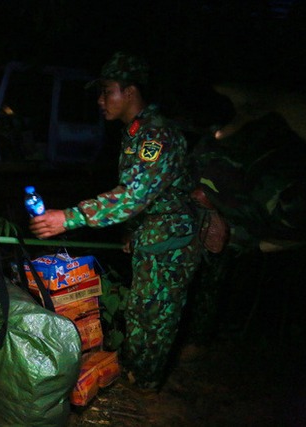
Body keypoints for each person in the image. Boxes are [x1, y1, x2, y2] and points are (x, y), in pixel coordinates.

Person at [29, 51, 201, 391]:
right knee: (140, 313)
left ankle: (145, 389)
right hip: (152, 236)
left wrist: (69, 217)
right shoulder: (135, 132)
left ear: (131, 92)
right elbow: (145, 197)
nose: (101, 99)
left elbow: (133, 195)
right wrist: (132, 232)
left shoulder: (156, 136)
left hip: (171, 244)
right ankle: (138, 377)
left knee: (155, 319)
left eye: (108, 91)